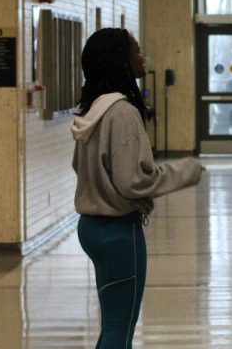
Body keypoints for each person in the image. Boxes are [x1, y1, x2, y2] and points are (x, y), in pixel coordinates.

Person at [71, 28, 203, 349]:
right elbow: (134, 181)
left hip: (90, 228)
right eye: (137, 51)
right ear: (122, 61)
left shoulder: (90, 109)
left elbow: (80, 166)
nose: (143, 57)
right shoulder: (123, 113)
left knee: (112, 323)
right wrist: (186, 171)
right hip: (119, 232)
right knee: (120, 328)